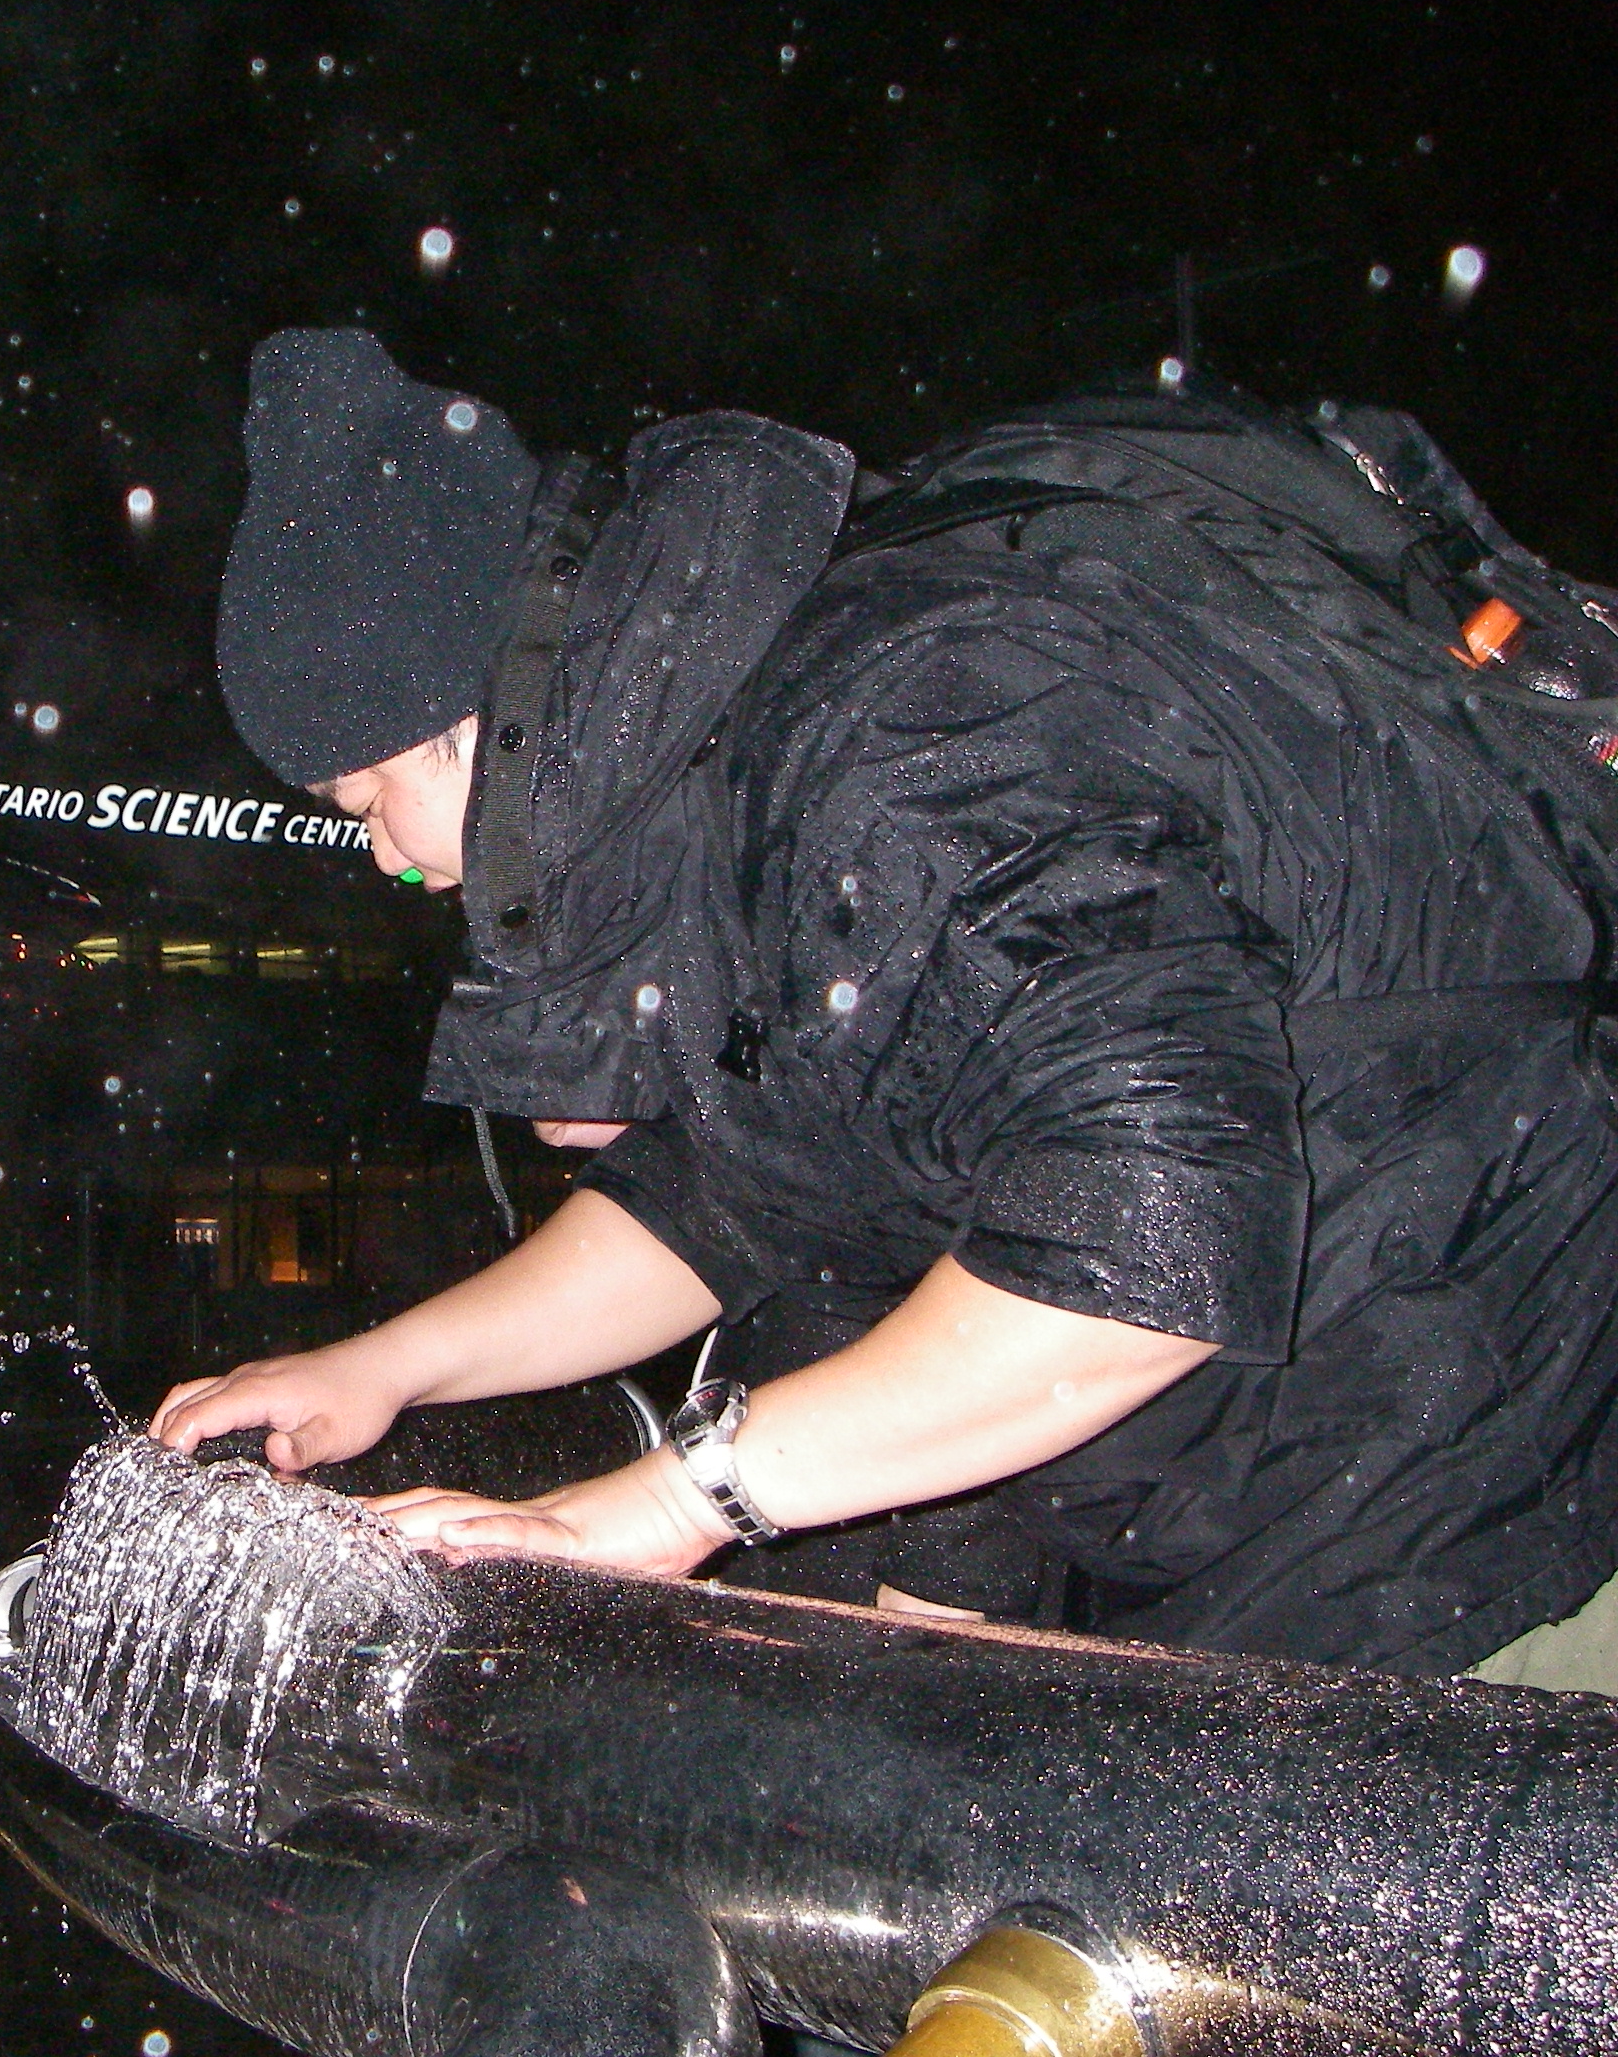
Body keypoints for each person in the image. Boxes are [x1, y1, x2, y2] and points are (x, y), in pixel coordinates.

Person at [152, 327, 1618, 1692]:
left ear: (460, 717)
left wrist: (664, 1507)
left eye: (365, 799)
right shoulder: (741, 755)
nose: (384, 857)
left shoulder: (899, 736)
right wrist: (384, 1369)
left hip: (1498, 1475)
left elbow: (1146, 1242)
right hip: (1345, 1468)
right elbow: (743, 1194)